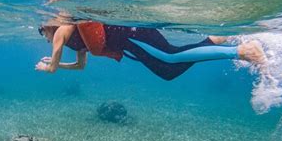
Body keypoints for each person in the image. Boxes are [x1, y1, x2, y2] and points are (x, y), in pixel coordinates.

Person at [35, 18, 266, 80]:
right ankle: (215, 40)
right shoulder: (73, 39)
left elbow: (52, 68)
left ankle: (242, 51)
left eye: (41, 31)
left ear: (48, 27)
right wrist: (58, 64)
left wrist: (48, 66)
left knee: (171, 57)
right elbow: (80, 65)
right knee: (168, 72)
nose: (44, 37)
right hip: (130, 43)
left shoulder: (61, 31)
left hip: (132, 34)